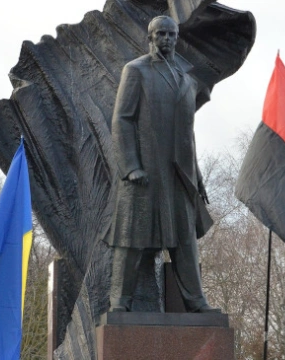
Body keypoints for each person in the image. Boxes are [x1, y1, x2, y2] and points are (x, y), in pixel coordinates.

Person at [105, 15, 219, 313]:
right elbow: (122, 119)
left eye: (171, 34)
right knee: (131, 239)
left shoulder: (186, 75)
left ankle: (196, 301)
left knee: (185, 241)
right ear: (150, 37)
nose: (166, 39)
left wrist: (199, 177)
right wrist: (130, 166)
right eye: (161, 34)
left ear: (176, 37)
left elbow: (187, 133)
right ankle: (119, 302)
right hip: (144, 171)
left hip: (179, 173)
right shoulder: (136, 70)